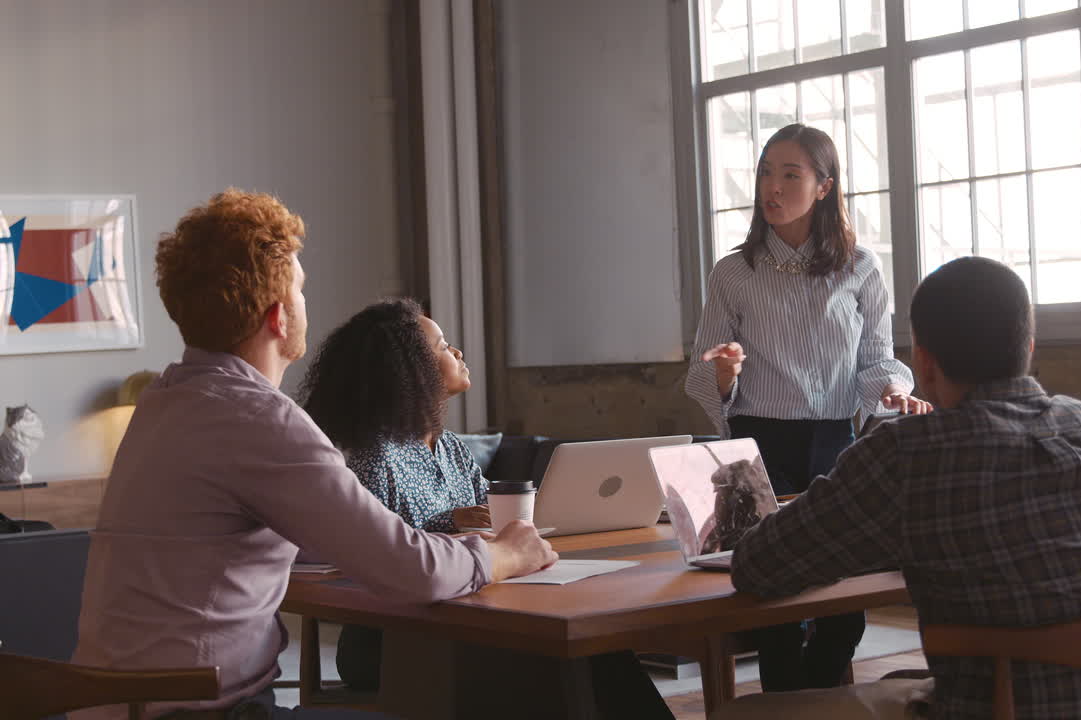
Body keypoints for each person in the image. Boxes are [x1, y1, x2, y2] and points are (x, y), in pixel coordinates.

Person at [70, 189, 557, 720]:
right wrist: (508, 553)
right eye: (302, 289)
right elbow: (413, 571)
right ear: (279, 317)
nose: (307, 302)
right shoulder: (259, 420)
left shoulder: (164, 402)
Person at [714, 256, 1081, 720]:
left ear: (925, 364)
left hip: (985, 707)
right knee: (903, 681)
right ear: (1029, 347)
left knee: (743, 713)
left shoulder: (907, 456)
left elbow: (759, 566)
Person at [299, 299, 675, 720]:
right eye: (443, 345)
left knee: (595, 649)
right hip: (394, 639)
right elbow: (375, 559)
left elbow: (486, 521)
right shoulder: (373, 455)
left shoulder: (451, 448)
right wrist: (447, 523)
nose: (458, 352)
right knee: (571, 657)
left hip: (479, 613)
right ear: (410, 369)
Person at [685, 122, 931, 692]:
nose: (772, 187)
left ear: (824, 186)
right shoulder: (733, 271)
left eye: (789, 175)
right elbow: (701, 370)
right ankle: (787, 704)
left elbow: (876, 357)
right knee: (773, 606)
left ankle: (808, 699)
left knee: (844, 604)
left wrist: (892, 392)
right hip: (753, 447)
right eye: (766, 173)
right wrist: (721, 373)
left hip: (833, 444)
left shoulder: (861, 267)